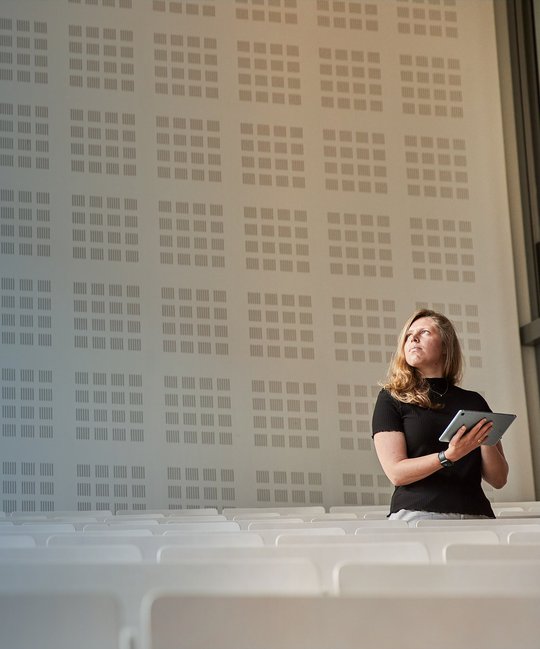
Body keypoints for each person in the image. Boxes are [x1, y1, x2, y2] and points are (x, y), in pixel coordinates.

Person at [371, 308, 509, 522]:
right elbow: (396, 472)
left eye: (424, 332)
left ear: (446, 346)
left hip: (477, 515)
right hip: (418, 515)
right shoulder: (391, 398)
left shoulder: (474, 401)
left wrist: (483, 438)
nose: (413, 338)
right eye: (408, 335)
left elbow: (498, 479)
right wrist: (448, 456)